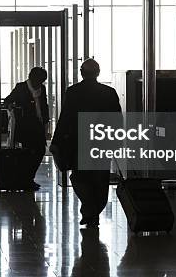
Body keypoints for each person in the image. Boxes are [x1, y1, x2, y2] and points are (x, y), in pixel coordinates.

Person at [52, 59, 121, 227]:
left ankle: (90, 209)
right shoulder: (109, 92)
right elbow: (117, 119)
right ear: (98, 73)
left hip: (79, 142)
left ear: (81, 73)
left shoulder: (73, 92)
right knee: (100, 179)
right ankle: (93, 210)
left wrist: (57, 141)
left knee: (80, 177)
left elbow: (65, 118)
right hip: (102, 142)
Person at [4, 66, 50, 191]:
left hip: (38, 126)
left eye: (42, 81)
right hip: (25, 127)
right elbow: (7, 100)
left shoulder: (42, 89)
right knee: (28, 154)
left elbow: (44, 106)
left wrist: (46, 123)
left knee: (39, 151)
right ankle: (25, 180)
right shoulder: (21, 87)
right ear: (32, 78)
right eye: (38, 81)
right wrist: (11, 107)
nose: (39, 84)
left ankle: (28, 178)